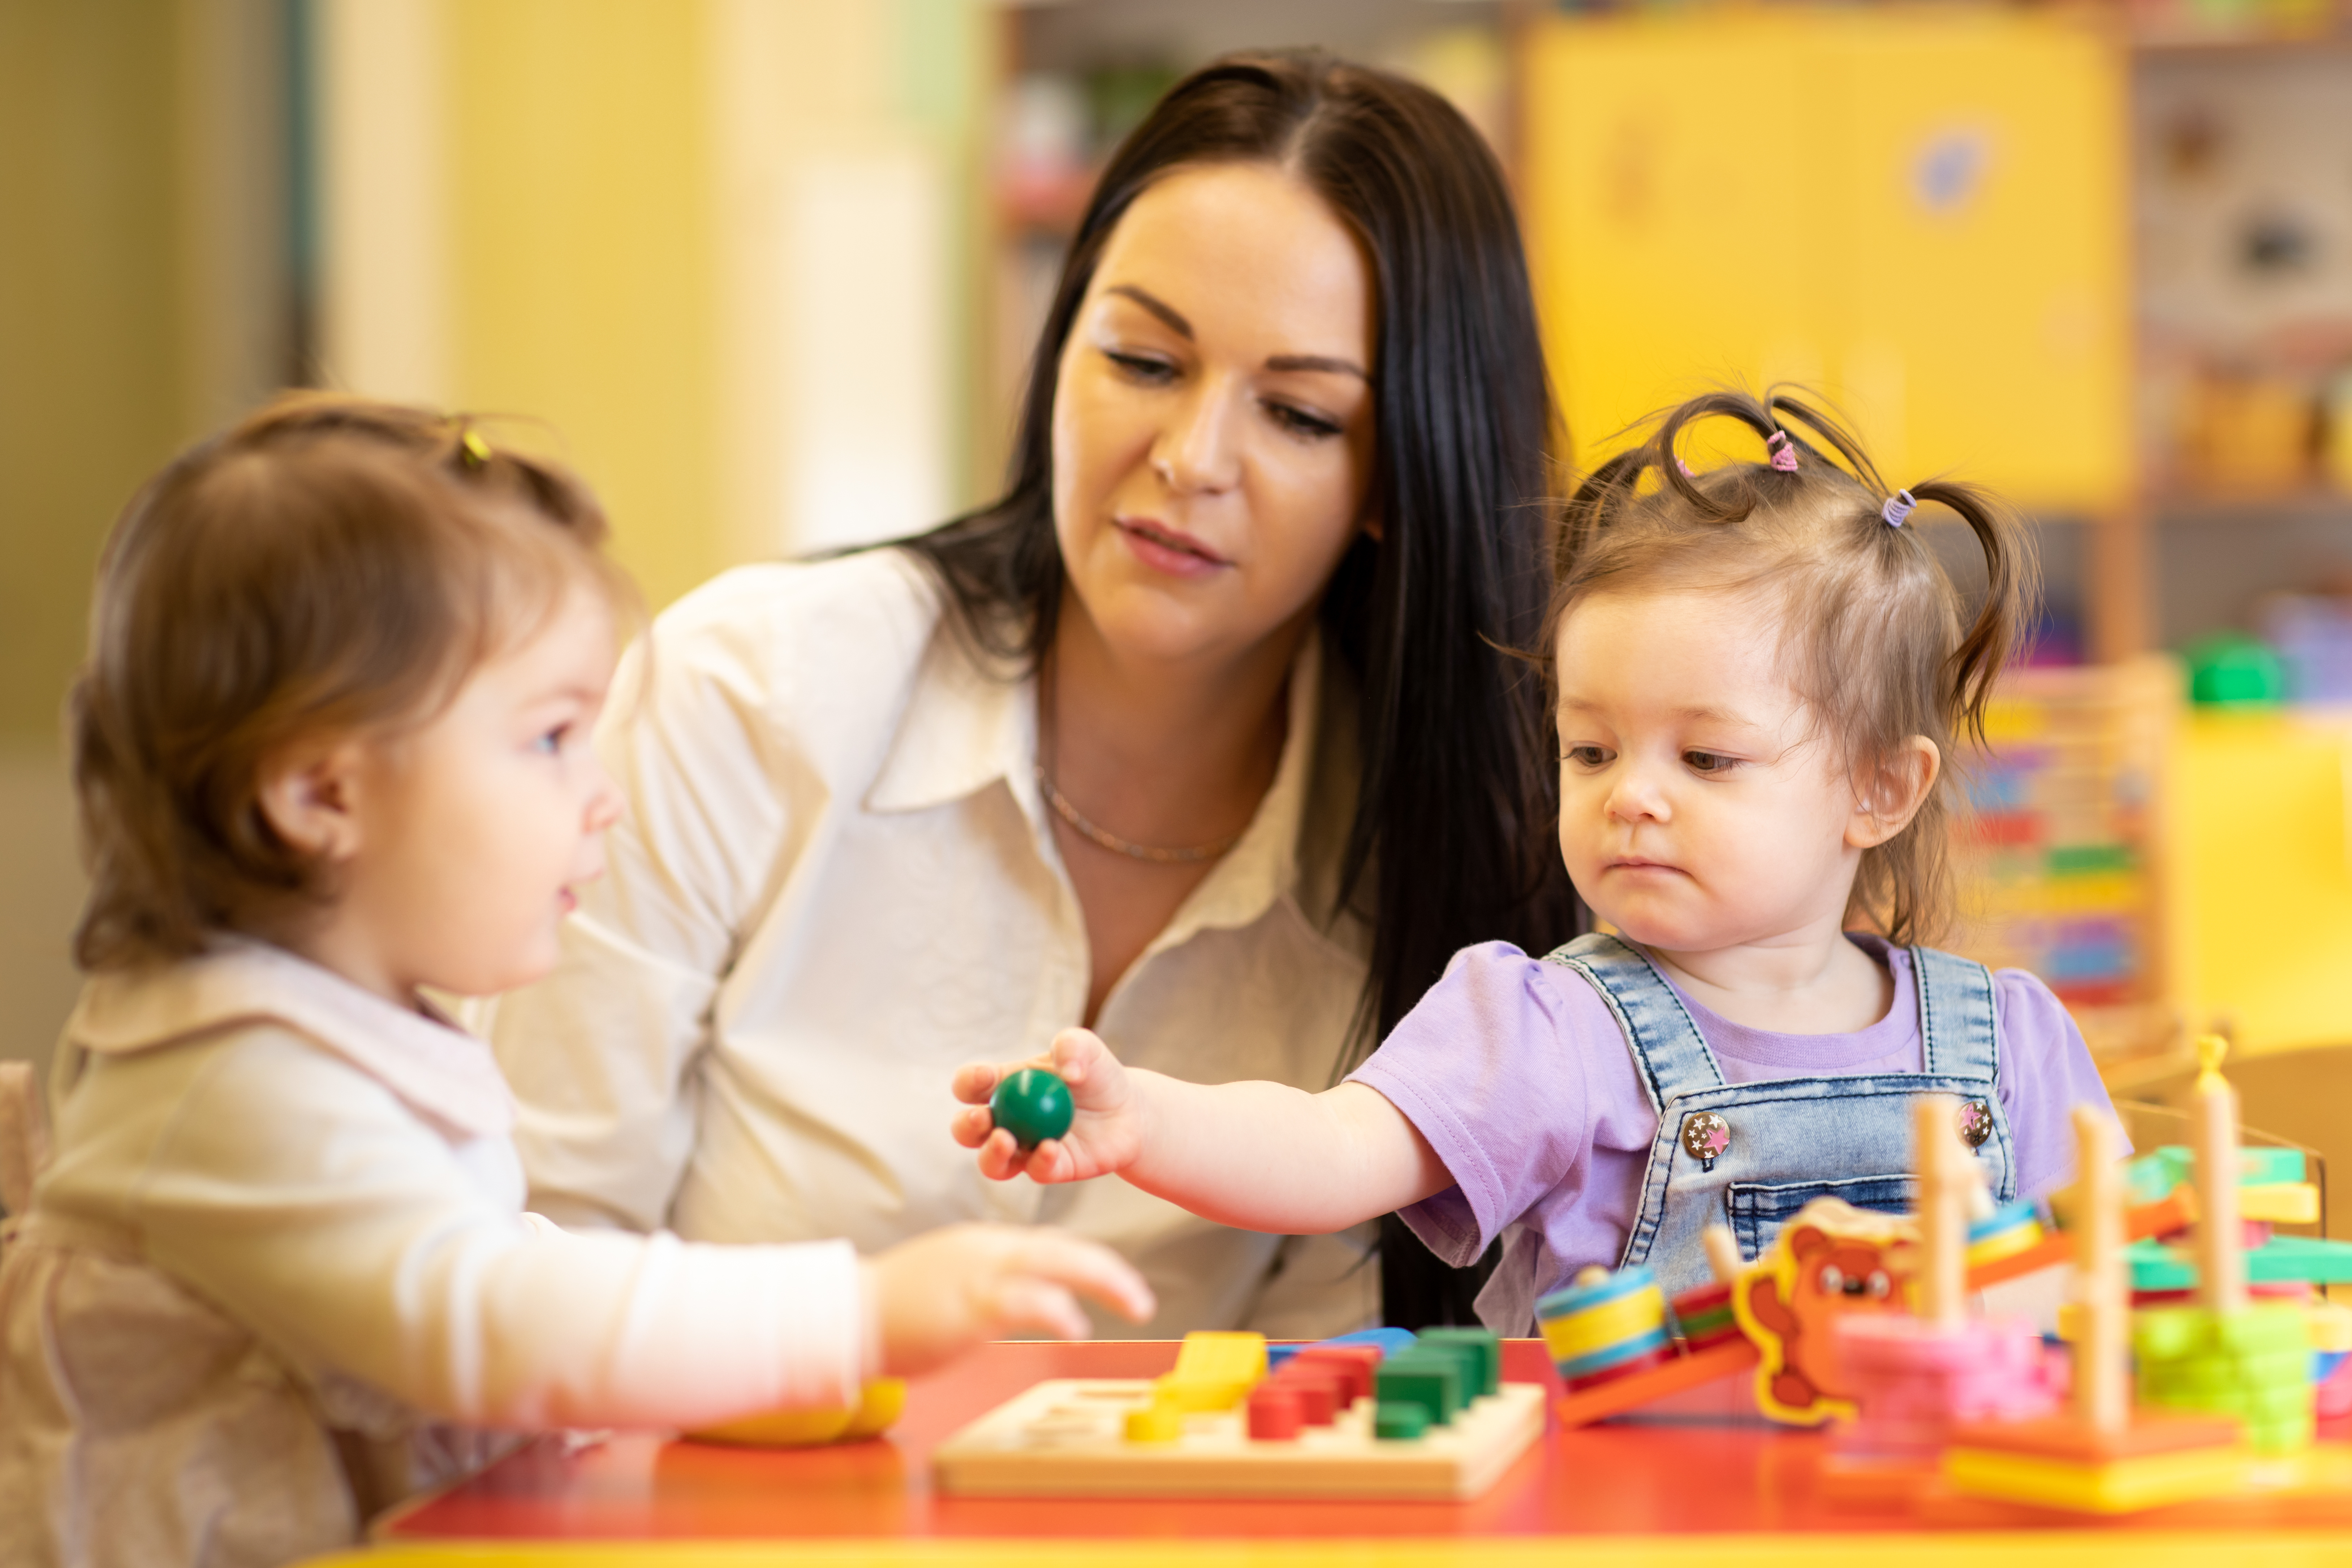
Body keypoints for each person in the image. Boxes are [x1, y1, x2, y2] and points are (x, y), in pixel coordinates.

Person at [485, 51, 1576, 1334]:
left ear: (1401, 475)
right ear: (1060, 348)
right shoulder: (747, 693)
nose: (1189, 460)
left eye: (1295, 413)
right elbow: (531, 1254)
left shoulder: (1437, 872)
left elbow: (1324, 1391)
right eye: (1143, 360)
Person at [0, 396, 1151, 1568]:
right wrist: (854, 1314)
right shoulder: (236, 1090)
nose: (603, 793)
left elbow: (500, 1252)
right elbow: (474, 1315)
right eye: (550, 738)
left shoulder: (341, 1032)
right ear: (322, 797)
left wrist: (739, 1342)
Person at [951, 388, 2123, 1334]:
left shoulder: (2005, 1037)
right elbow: (1332, 1148)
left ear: (1880, 788)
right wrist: (1144, 1119)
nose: (1634, 796)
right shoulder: (1548, 1027)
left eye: (1707, 757)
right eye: (1592, 748)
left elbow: (2112, 1270)